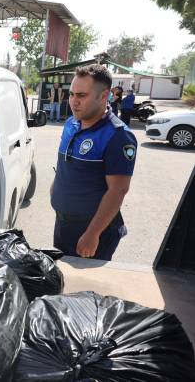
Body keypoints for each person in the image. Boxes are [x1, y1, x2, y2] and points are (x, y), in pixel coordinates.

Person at [51, 64, 137, 261]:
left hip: (91, 230)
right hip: (64, 223)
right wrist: (56, 190)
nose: (74, 101)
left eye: (81, 95)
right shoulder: (71, 124)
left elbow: (118, 190)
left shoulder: (118, 136)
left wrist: (93, 234)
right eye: (71, 94)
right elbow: (67, 164)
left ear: (103, 95)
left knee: (85, 289)